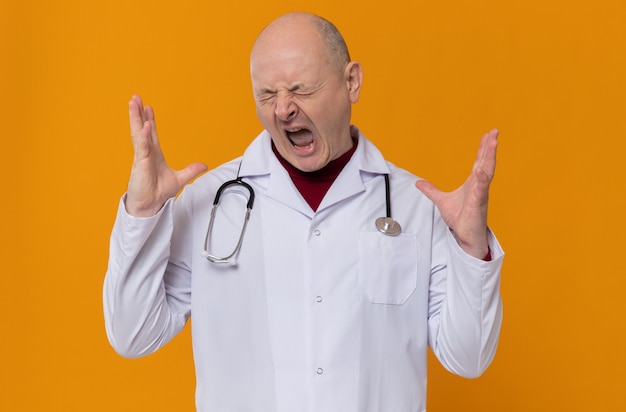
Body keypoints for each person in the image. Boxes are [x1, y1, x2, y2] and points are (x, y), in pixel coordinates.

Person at [103, 12, 504, 412]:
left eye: (300, 89)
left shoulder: (415, 204)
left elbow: (468, 358)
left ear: (352, 82)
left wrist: (471, 248)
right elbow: (132, 333)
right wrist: (142, 212)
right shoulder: (210, 202)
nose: (282, 110)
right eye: (266, 94)